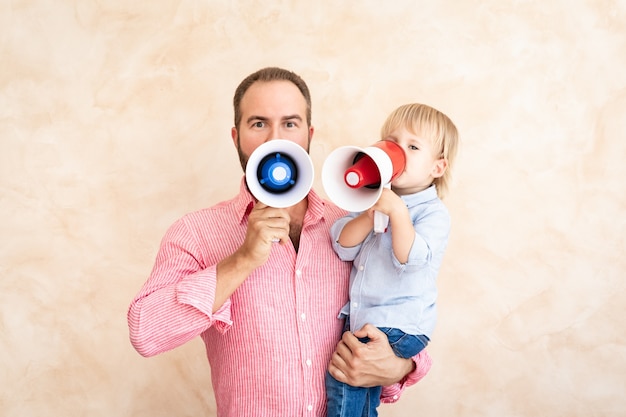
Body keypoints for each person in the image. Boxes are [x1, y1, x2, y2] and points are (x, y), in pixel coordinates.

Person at [127, 67, 432, 417]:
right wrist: (242, 260)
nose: (275, 139)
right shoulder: (196, 232)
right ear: (235, 136)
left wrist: (400, 368)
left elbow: (407, 305)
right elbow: (146, 332)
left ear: (308, 134)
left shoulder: (353, 226)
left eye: (290, 124)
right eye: (258, 124)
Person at [325, 103, 459, 417]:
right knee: (362, 395)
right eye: (392, 141)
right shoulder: (373, 197)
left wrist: (397, 212)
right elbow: (342, 245)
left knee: (344, 379)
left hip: (400, 323)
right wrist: (371, 209)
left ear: (436, 168)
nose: (398, 150)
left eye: (412, 147)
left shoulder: (433, 213)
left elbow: (410, 260)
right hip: (369, 320)